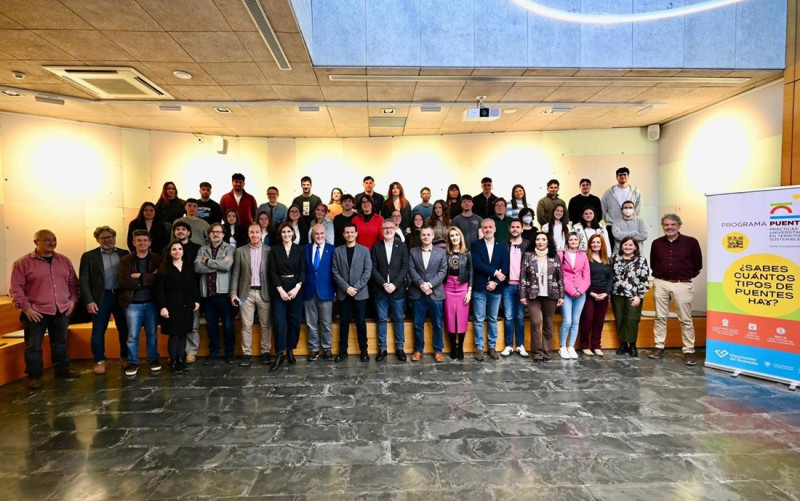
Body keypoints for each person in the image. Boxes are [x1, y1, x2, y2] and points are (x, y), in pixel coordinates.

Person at [10, 229, 80, 389]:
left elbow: (73, 284)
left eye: (54, 239)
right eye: (47, 240)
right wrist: (27, 308)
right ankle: (34, 376)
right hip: (35, 312)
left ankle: (62, 370)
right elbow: (15, 289)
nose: (52, 243)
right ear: (36, 242)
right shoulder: (22, 263)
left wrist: (72, 301)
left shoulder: (64, 260)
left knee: (60, 342)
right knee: (33, 345)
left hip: (61, 309)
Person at [648, 214, 703, 365]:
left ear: (679, 225)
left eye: (672, 224)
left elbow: (698, 265)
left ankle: (689, 350)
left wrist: (683, 276)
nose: (669, 227)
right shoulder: (657, 243)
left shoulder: (691, 242)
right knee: (660, 317)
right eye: (666, 225)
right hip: (661, 283)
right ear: (662, 226)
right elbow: (653, 263)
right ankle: (659, 346)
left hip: (682, 284)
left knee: (685, 319)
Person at [79, 226, 130, 375]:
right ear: (97, 240)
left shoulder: (124, 253)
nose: (107, 240)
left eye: (109, 237)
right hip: (101, 298)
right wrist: (89, 301)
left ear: (114, 238)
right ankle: (100, 361)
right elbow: (84, 280)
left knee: (124, 329)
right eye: (103, 238)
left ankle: (125, 357)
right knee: (98, 331)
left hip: (120, 297)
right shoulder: (89, 256)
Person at [118, 230, 163, 376]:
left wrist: (139, 277)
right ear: (134, 242)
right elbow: (125, 281)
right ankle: (133, 362)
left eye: (145, 240)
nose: (142, 242)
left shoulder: (157, 259)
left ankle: (153, 359)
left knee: (152, 333)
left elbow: (159, 279)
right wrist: (147, 279)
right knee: (132, 335)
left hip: (152, 303)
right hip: (132, 304)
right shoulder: (126, 260)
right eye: (139, 240)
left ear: (149, 242)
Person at [230, 223, 272, 368]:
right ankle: (246, 353)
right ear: (248, 234)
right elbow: (235, 273)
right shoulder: (240, 251)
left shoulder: (269, 251)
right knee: (246, 325)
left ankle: (265, 351)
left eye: (257, 232)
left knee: (265, 325)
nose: (254, 235)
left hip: (264, 292)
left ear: (262, 234)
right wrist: (233, 293)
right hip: (245, 294)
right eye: (252, 232)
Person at [194, 222, 236, 364]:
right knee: (211, 326)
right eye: (213, 232)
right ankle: (214, 353)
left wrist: (207, 262)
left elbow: (227, 266)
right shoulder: (203, 249)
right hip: (207, 294)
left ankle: (230, 353)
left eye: (219, 232)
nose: (216, 234)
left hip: (223, 293)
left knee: (228, 325)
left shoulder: (229, 249)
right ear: (209, 234)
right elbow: (197, 268)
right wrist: (218, 265)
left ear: (223, 234)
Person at [520, 232, 564, 362]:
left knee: (548, 323)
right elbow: (523, 276)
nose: (540, 241)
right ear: (535, 242)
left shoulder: (554, 256)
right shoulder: (528, 256)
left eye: (543, 239)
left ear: (548, 242)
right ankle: (537, 352)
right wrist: (522, 295)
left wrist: (561, 295)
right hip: (532, 294)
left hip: (551, 294)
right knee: (535, 322)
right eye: (538, 239)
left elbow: (560, 277)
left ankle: (547, 352)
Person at [157, 242, 200, 372]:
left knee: (183, 333)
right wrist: (163, 306)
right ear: (169, 252)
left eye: (180, 249)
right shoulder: (164, 268)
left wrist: (196, 301)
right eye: (174, 249)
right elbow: (159, 290)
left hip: (186, 304)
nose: (177, 251)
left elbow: (193, 285)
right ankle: (174, 360)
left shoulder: (188, 266)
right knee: (174, 334)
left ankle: (181, 360)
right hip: (171, 305)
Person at [268, 221, 306, 371]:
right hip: (279, 290)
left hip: (296, 288)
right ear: (280, 234)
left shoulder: (300, 249)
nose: (286, 234)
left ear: (293, 233)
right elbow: (272, 271)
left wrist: (297, 288)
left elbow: (303, 270)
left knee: (295, 321)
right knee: (279, 322)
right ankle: (279, 353)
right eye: (283, 232)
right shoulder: (274, 250)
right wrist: (280, 290)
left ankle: (290, 349)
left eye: (289, 232)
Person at [470, 218, 509, 361]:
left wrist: (496, 281)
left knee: (493, 318)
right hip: (480, 287)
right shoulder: (476, 245)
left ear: (495, 229)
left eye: (490, 227)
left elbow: (505, 267)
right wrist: (495, 272)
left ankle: (492, 347)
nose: (488, 230)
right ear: (481, 229)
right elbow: (477, 263)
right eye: (485, 227)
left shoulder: (502, 246)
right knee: (479, 319)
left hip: (496, 288)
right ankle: (479, 348)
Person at [370, 219, 409, 362]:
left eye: (391, 228)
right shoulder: (375, 247)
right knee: (381, 319)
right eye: (385, 228)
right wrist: (384, 284)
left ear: (395, 229)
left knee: (398, 319)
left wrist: (395, 284)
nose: (388, 230)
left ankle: (400, 348)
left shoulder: (402, 246)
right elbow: (372, 268)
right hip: (380, 290)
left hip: (397, 290)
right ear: (381, 229)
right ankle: (382, 349)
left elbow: (405, 267)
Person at [332, 224, 372, 362]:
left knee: (361, 322)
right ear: (343, 235)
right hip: (344, 293)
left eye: (352, 232)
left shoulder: (365, 250)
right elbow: (335, 271)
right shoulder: (338, 251)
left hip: (360, 293)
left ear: (356, 234)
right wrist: (346, 288)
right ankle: (343, 351)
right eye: (347, 232)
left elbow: (367, 271)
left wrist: (356, 287)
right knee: (344, 322)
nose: (349, 234)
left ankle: (364, 351)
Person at [408, 226, 448, 362]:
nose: (426, 237)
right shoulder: (413, 252)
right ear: (420, 237)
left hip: (435, 293)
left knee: (437, 323)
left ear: (433, 236)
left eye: (428, 235)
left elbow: (443, 271)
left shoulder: (441, 252)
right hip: (418, 293)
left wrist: (429, 285)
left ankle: (438, 350)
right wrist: (422, 285)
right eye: (423, 235)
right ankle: (418, 350)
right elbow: (411, 270)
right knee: (418, 324)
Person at [612, 237, 651, 358]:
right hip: (617, 294)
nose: (628, 247)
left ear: (635, 247)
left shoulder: (641, 260)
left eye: (630, 245)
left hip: (634, 295)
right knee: (620, 319)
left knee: (632, 319)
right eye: (625, 244)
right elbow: (610, 276)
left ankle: (632, 345)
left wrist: (639, 296)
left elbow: (644, 279)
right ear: (621, 246)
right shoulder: (614, 258)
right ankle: (623, 344)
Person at [304, 224, 336, 361]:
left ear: (326, 234)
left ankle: (327, 348)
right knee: (311, 322)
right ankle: (314, 349)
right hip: (309, 290)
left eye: (322, 233)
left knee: (326, 323)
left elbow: (335, 272)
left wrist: (335, 291)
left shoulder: (332, 249)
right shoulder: (305, 249)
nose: (319, 236)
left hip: (326, 291)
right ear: (312, 235)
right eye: (316, 234)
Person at [578, 234, 613, 357]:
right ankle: (584, 345)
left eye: (598, 242)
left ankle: (596, 345)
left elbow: (610, 278)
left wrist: (606, 293)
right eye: (593, 242)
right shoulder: (585, 258)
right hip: (589, 293)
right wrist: (590, 292)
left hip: (603, 294)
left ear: (602, 244)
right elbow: (582, 277)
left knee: (599, 321)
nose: (595, 244)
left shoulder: (608, 259)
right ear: (589, 244)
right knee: (587, 319)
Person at [557, 232, 590, 360]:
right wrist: (571, 290)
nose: (573, 241)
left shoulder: (584, 256)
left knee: (576, 321)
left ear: (579, 241)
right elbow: (559, 274)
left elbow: (586, 276)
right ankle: (562, 347)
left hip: (581, 293)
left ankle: (571, 346)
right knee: (567, 321)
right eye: (571, 239)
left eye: (575, 239)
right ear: (567, 241)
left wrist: (581, 290)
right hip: (566, 292)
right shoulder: (561, 255)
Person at [501, 220, 529, 358]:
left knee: (520, 316)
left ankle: (520, 345)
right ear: (509, 228)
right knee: (509, 316)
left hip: (523, 286)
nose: (515, 229)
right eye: (513, 227)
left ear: (522, 229)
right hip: (507, 285)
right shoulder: (504, 244)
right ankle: (508, 345)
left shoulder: (527, 245)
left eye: (518, 227)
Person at [443, 226, 472, 360]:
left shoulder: (467, 253)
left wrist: (469, 291)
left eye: (457, 235)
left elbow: (471, 272)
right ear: (449, 239)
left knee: (461, 319)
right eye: (452, 236)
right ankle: (452, 347)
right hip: (448, 286)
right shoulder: (445, 253)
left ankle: (460, 346)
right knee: (449, 318)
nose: (455, 238)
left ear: (461, 237)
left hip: (462, 288)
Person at [602, 167, 642, 249]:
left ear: (628, 176)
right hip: (612, 225)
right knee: (612, 249)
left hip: (630, 224)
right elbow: (603, 207)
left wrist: (632, 218)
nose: (623, 177)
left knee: (630, 248)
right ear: (616, 177)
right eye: (620, 175)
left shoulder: (635, 192)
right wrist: (608, 219)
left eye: (625, 174)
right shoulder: (609, 193)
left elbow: (638, 207)